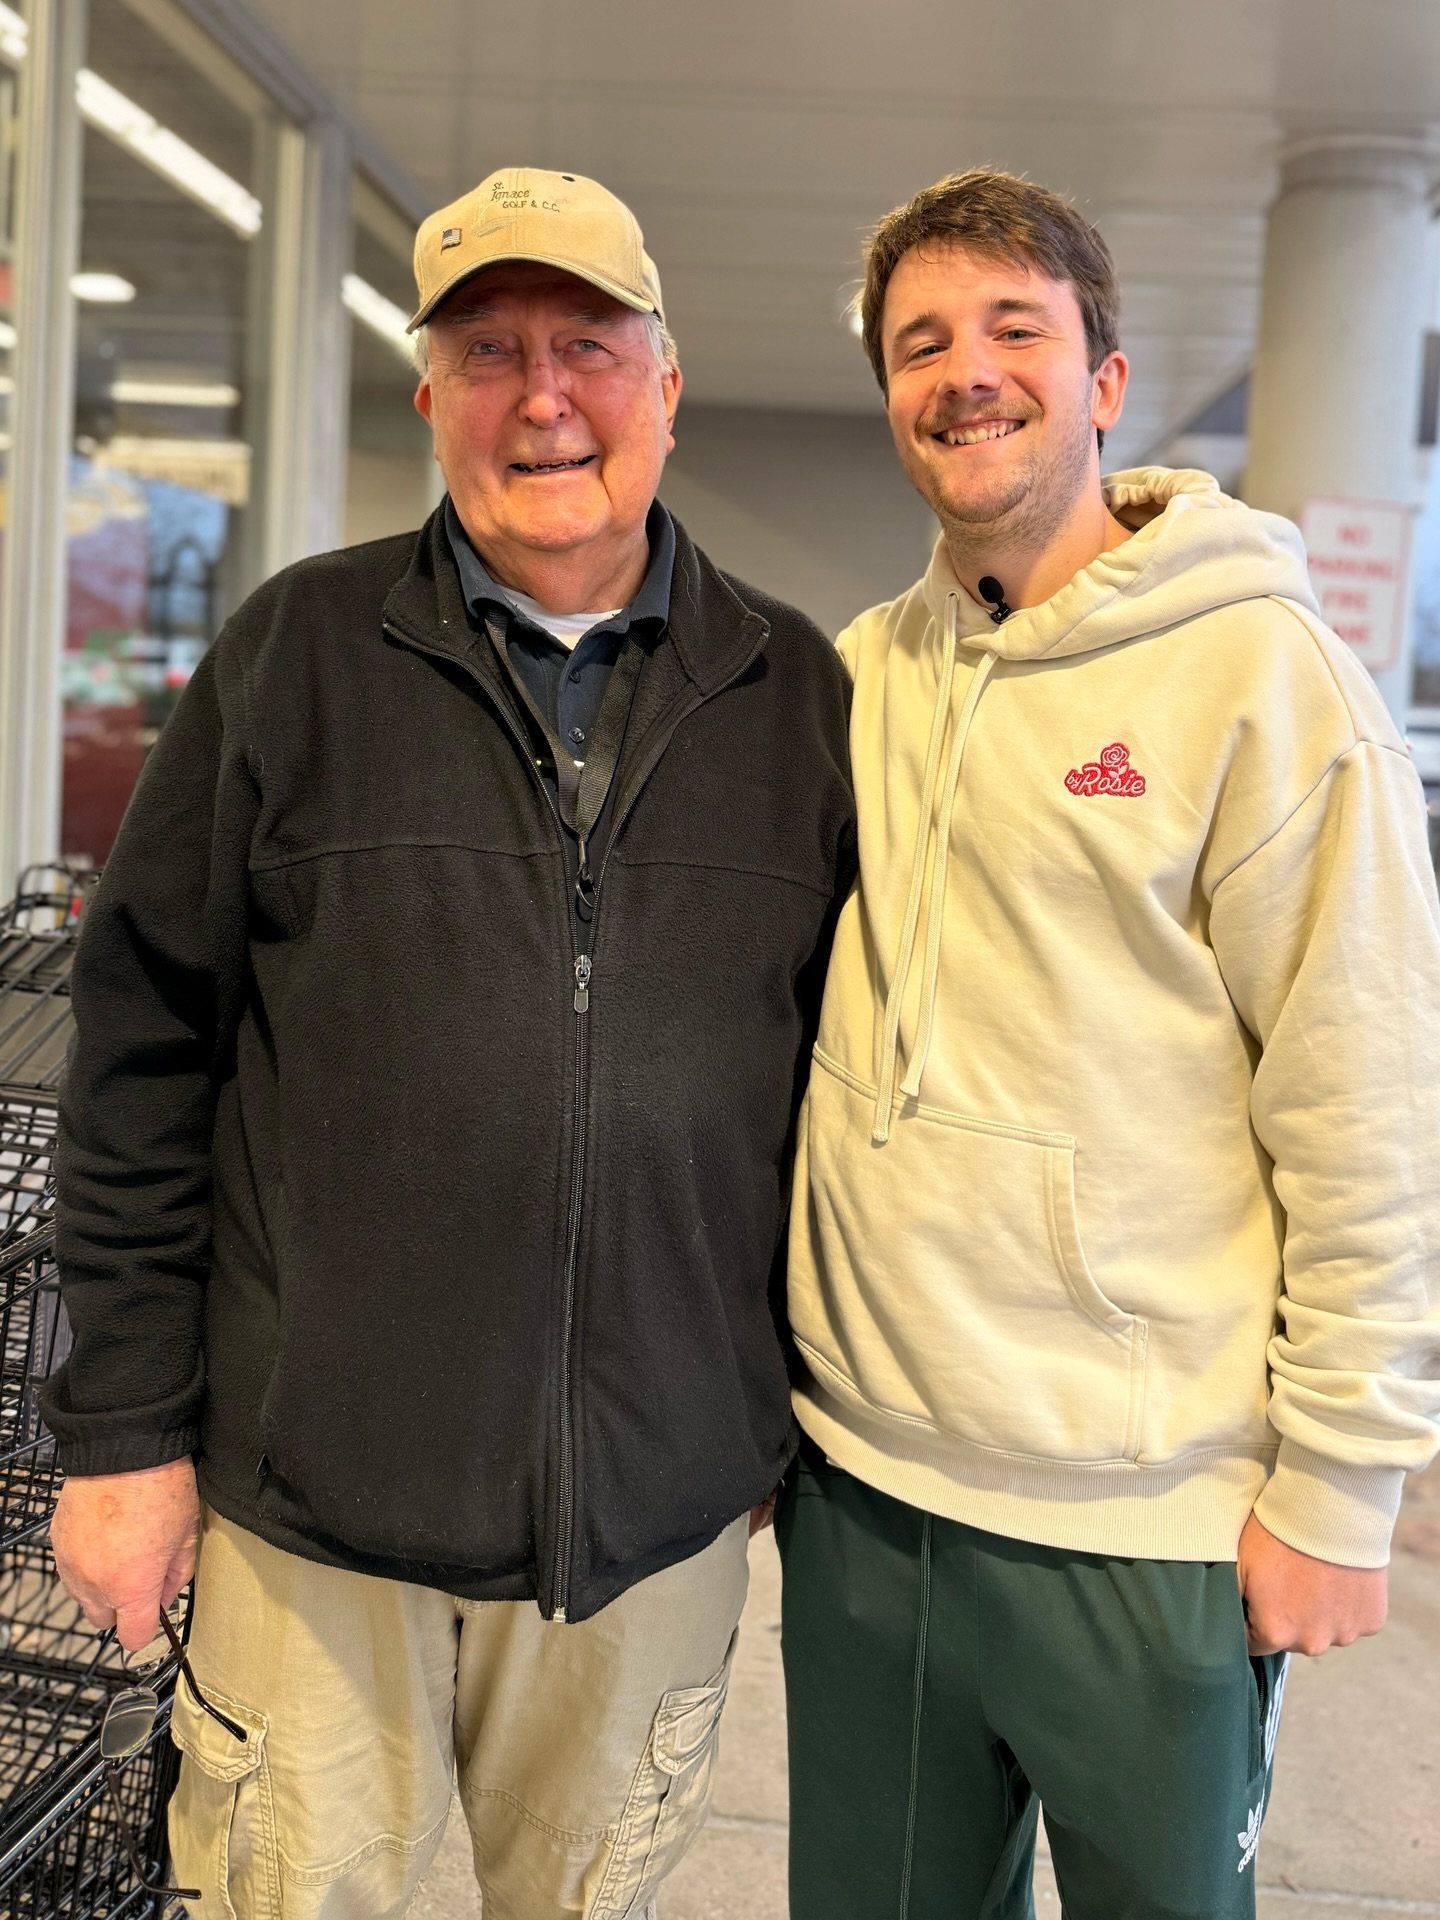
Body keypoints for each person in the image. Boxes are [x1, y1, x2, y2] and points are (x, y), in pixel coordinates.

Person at [43, 166, 855, 1920]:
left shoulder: (797, 698)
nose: (542, 395)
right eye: (488, 351)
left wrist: (775, 1417)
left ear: (666, 382)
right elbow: (140, 1058)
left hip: (651, 1524)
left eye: (588, 346)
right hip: (313, 1516)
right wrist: (119, 1438)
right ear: (429, 400)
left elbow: (849, 1094)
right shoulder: (296, 656)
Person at [779, 167, 1440, 1920]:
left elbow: (1372, 1106)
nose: (965, 373)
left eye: (1016, 329)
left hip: (1147, 1523)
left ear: (1107, 382)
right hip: (864, 1486)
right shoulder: (863, 677)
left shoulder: (1263, 676)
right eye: (920, 342)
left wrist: (1345, 1487)